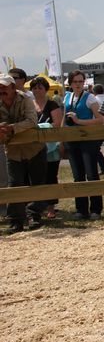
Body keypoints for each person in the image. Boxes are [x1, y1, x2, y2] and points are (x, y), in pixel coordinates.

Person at [0, 74, 48, 234]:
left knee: (36, 183)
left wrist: (12, 128)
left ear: (13, 87)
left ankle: (34, 216)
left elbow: (31, 121)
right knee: (15, 184)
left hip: (33, 148)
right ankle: (16, 221)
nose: (2, 90)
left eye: (4, 86)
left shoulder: (26, 99)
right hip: (13, 151)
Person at [63, 70, 104, 220]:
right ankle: (81, 209)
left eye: (81, 81)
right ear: (70, 83)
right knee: (77, 176)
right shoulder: (67, 97)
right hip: (72, 140)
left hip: (88, 140)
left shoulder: (90, 98)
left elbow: (100, 120)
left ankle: (96, 209)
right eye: (75, 82)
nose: (78, 84)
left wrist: (79, 121)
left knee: (92, 174)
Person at [30, 76, 63, 219]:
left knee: (50, 176)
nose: (37, 90)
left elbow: (57, 123)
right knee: (35, 177)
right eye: (34, 88)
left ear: (46, 90)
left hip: (51, 148)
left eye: (40, 87)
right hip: (33, 147)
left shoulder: (52, 105)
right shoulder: (29, 105)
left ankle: (51, 207)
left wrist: (40, 127)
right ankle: (37, 207)